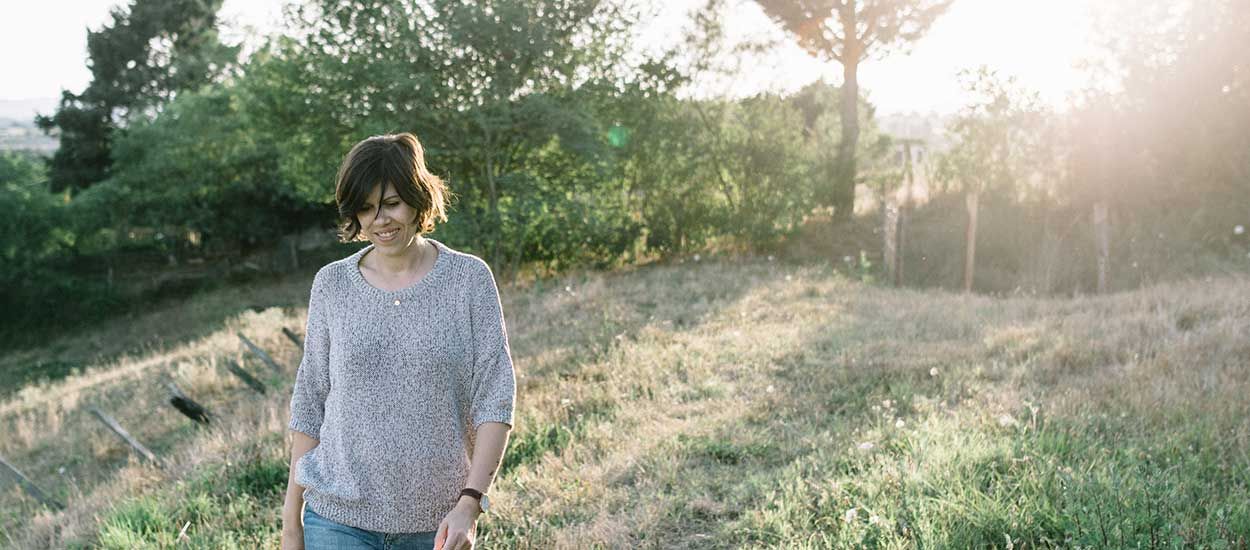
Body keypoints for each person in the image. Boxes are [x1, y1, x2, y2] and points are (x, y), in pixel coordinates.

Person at [280, 132, 516, 550]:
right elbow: (311, 399)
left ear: (417, 198)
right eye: (366, 208)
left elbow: (495, 398)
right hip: (337, 520)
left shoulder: (468, 280)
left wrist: (470, 504)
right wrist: (291, 524)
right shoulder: (331, 285)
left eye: (391, 204)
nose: (379, 220)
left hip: (438, 523)